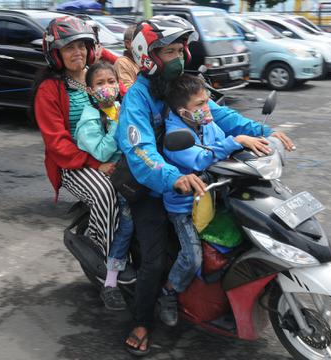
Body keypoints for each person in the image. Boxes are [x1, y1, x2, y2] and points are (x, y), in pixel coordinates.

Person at [116, 16, 295, 356]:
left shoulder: (181, 83)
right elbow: (141, 152)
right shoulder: (136, 99)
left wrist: (262, 132)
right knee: (154, 259)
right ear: (147, 56)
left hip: (195, 178)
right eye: (168, 51)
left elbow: (220, 115)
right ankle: (142, 321)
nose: (178, 57)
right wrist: (173, 176)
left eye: (179, 49)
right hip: (150, 187)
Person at [160, 74, 273, 323]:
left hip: (214, 195)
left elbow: (222, 142)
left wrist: (253, 143)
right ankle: (168, 292)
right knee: (192, 257)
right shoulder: (175, 136)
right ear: (183, 111)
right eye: (199, 104)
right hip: (185, 207)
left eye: (207, 100)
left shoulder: (207, 122)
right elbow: (200, 158)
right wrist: (236, 141)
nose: (206, 107)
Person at [33, 17, 120, 279]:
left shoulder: (99, 77)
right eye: (69, 47)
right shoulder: (49, 90)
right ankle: (105, 262)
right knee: (105, 193)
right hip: (76, 163)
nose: (77, 52)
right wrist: (96, 164)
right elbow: (57, 144)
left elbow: (127, 96)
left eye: (82, 46)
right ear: (55, 54)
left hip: (114, 151)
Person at [72, 61, 133, 311]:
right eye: (100, 83)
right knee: (128, 224)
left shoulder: (121, 107)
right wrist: (119, 124)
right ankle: (110, 281)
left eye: (111, 81)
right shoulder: (89, 118)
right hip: (117, 176)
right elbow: (100, 150)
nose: (107, 87)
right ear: (90, 90)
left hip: (135, 168)